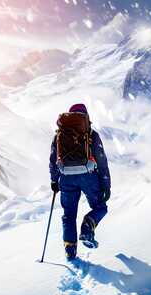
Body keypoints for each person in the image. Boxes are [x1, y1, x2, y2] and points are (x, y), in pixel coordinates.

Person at [49, 103, 111, 261]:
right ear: (86, 117)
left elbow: (53, 159)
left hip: (66, 178)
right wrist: (106, 185)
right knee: (100, 207)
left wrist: (54, 180)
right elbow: (102, 161)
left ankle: (70, 251)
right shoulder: (91, 134)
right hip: (88, 176)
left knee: (68, 215)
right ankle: (88, 226)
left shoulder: (59, 135)